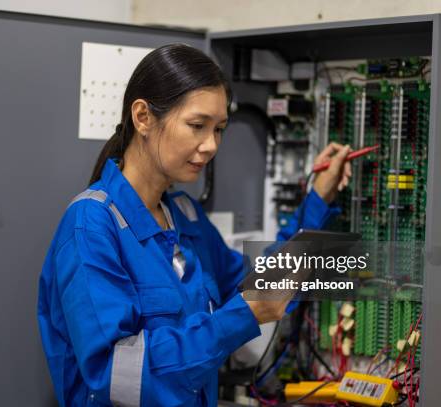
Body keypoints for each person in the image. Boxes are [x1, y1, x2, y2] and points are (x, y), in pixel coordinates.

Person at [37, 43, 352, 407]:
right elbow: (114, 376)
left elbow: (259, 283)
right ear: (143, 117)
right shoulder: (91, 225)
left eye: (219, 129)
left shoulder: (185, 216)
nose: (211, 145)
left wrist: (318, 200)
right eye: (197, 126)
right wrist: (237, 319)